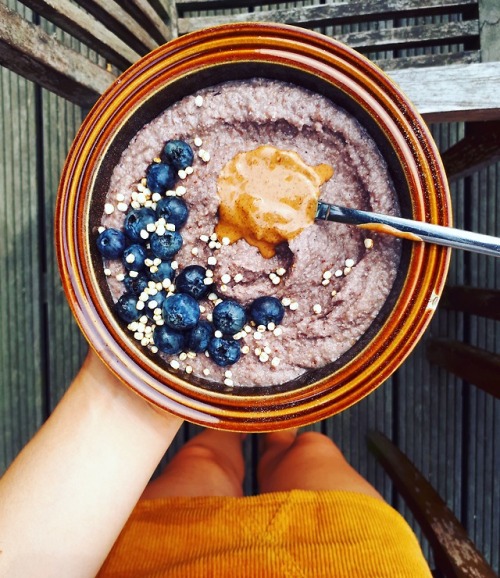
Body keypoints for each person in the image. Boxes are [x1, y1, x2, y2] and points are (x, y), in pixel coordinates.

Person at [0, 349, 432, 577]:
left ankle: (232, 422)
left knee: (204, 460)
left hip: (161, 563)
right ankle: (269, 427)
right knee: (311, 453)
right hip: (355, 565)